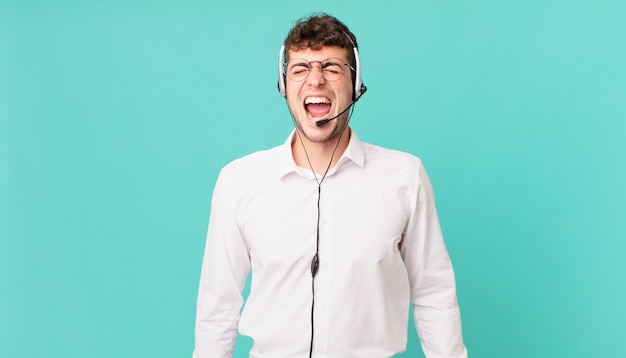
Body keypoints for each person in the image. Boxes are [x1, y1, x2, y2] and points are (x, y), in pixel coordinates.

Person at [193, 13, 468, 358]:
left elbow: (433, 293)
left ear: (355, 85)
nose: (315, 80)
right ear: (284, 85)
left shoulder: (406, 177)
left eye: (332, 68)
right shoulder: (239, 181)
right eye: (300, 69)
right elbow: (217, 307)